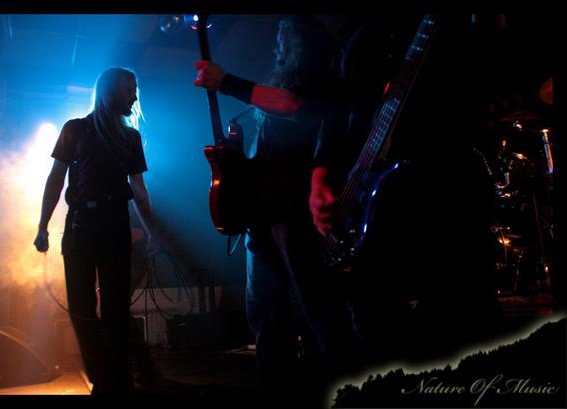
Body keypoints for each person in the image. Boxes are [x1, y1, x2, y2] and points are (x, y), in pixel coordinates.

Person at [310, 15, 502, 365]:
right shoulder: (358, 34)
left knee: (460, 326)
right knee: (378, 332)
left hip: (447, 190)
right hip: (372, 205)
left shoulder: (458, 28)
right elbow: (335, 112)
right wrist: (319, 177)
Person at [194, 15, 354, 407]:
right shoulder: (277, 86)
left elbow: (293, 105)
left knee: (317, 313)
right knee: (265, 317)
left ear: (305, 41)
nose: (277, 45)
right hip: (263, 216)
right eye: (278, 37)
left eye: (285, 36)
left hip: (296, 214)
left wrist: (227, 82)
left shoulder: (318, 81)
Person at [33, 67, 158, 395]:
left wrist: (151, 230)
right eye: (130, 90)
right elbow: (55, 179)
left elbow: (139, 189)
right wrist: (42, 226)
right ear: (112, 91)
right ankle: (106, 379)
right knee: (82, 308)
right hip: (81, 226)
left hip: (113, 224)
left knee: (115, 309)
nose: (134, 97)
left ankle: (115, 382)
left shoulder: (130, 137)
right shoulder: (75, 129)